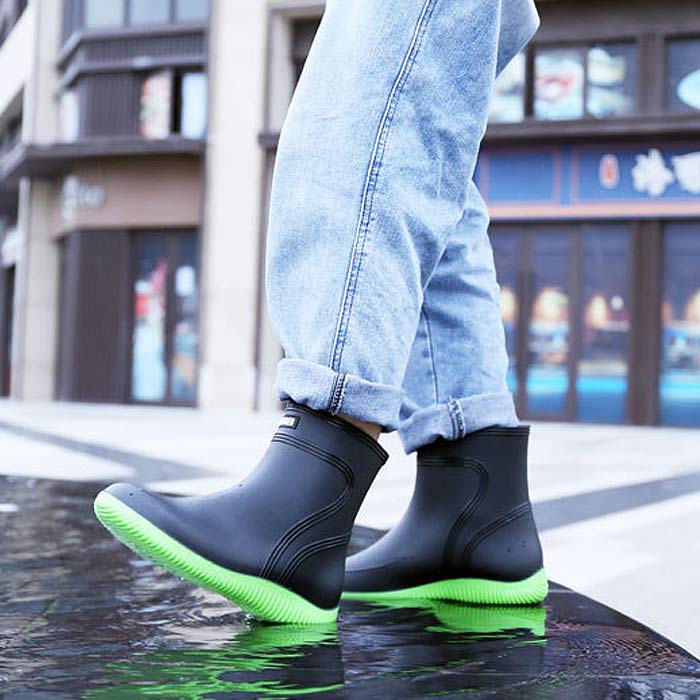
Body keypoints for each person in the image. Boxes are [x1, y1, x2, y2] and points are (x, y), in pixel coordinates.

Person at [94, 0, 546, 625]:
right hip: (468, 517)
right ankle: (472, 506)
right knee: (422, 139)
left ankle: (304, 495)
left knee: (364, 95)